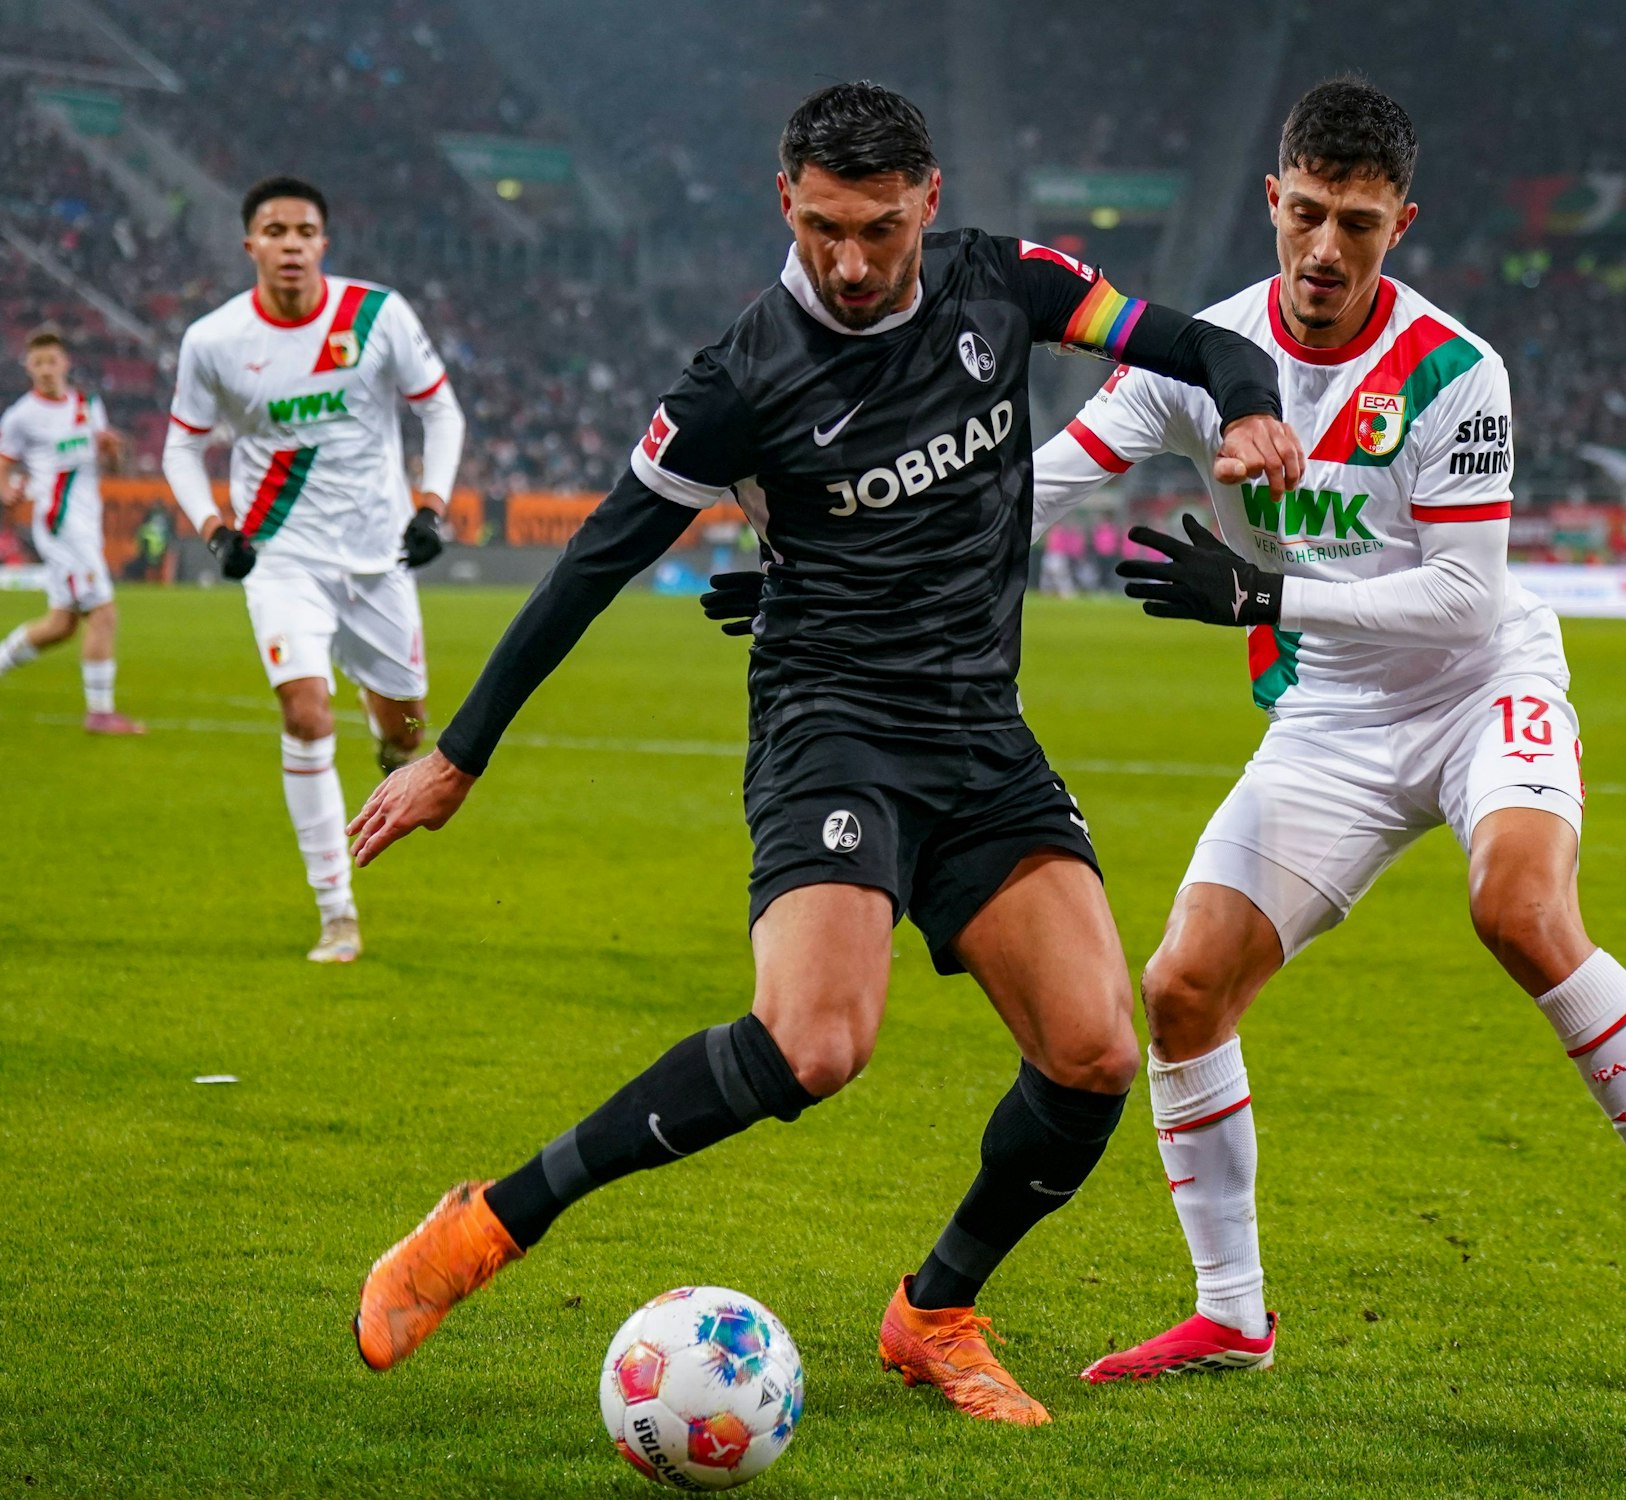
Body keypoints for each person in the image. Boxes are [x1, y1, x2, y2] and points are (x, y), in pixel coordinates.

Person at [342, 82, 1302, 1429]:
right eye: (825, 230)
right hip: (831, 725)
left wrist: (1254, 405)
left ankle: (936, 1313)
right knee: (818, 1043)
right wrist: (460, 754)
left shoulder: (1008, 285)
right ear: (784, 198)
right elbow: (595, 561)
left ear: (929, 201)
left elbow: (1190, 343)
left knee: (1093, 1052)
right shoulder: (738, 379)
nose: (852, 265)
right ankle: (486, 1226)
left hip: (980, 732)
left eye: (879, 232)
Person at [1033, 77, 1626, 1378]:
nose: (1325, 251)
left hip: (1482, 686)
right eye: (1306, 215)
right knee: (1182, 989)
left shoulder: (1452, 373)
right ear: (1272, 199)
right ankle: (1232, 1314)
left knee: (1521, 914)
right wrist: (853, 562)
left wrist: (1264, 592)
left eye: (1358, 226)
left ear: (1401, 225)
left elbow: (1463, 593)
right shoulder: (1198, 357)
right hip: (1332, 714)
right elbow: (1040, 485)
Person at [160, 175, 465, 962]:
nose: (290, 244)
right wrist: (214, 529)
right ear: (250, 245)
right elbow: (181, 446)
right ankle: (336, 911)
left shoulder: (377, 315)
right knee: (303, 713)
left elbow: (440, 408)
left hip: (377, 557)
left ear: (323, 242)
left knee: (406, 733)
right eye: (274, 230)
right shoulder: (215, 340)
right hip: (280, 556)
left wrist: (431, 504)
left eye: (304, 231)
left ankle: (388, 729)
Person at [0, 329, 143, 733]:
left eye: (52, 361)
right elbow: (4, 461)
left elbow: (110, 468)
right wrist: (6, 490)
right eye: (38, 362)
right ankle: (100, 713)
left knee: (61, 624)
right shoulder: (21, 415)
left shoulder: (88, 406)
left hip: (86, 519)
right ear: (28, 368)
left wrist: (114, 452)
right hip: (61, 523)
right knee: (104, 611)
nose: (46, 369)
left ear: (65, 364)